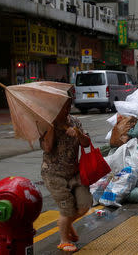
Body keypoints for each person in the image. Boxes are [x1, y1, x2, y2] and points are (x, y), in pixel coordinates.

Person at [39, 97, 92, 252]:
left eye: (69, 105)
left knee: (85, 204)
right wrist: (52, 126)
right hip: (53, 174)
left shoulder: (75, 121)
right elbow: (47, 147)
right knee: (67, 207)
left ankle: (66, 224)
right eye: (63, 107)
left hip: (74, 172)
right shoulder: (45, 123)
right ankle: (64, 240)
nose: (67, 109)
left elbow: (87, 143)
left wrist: (78, 134)